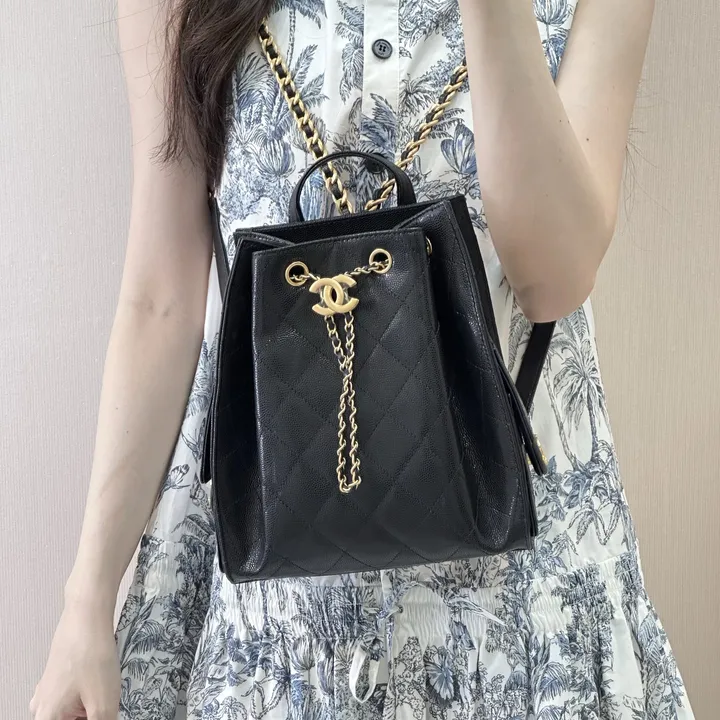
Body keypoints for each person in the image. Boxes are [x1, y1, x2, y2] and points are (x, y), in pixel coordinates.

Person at [31, 0, 695, 718]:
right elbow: (160, 302)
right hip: (273, 628)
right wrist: (86, 600)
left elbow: (553, 279)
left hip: (521, 616)